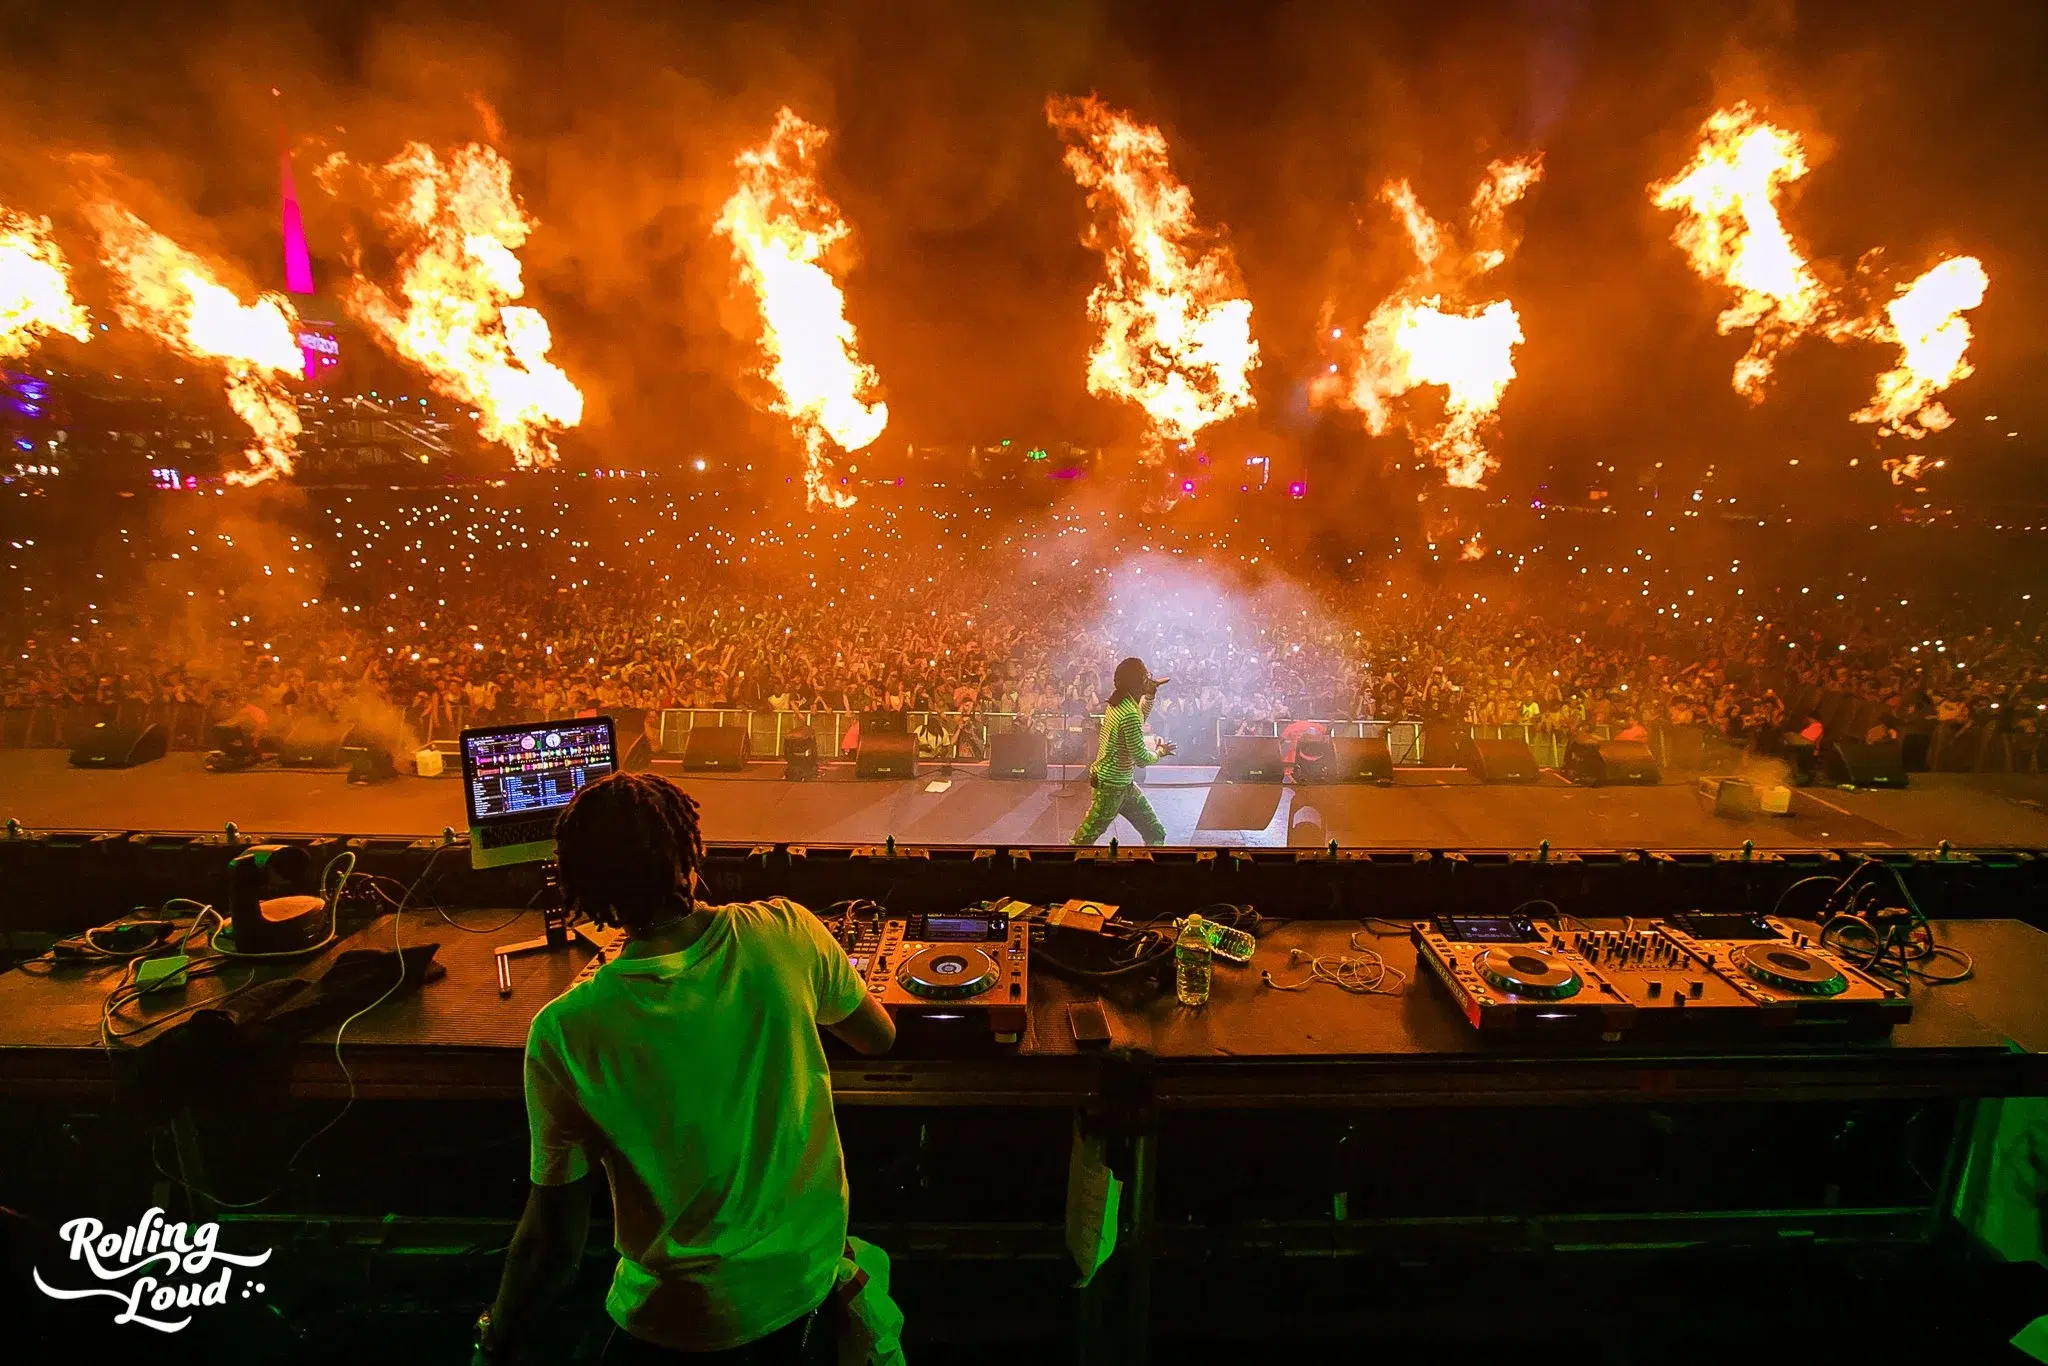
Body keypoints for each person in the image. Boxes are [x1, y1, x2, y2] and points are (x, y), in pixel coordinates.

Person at [473, 772, 896, 1365]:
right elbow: (878, 1038)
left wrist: (493, 1339)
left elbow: (552, 1247)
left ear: (580, 889)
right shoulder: (788, 932)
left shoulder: (565, 1030)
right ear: (690, 857)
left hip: (675, 1318)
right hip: (805, 1280)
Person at [1070, 657, 1176, 846]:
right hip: (1112, 787)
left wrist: (1149, 695)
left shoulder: (1119, 701)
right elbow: (1141, 759)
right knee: (1081, 842)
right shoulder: (1128, 713)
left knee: (1155, 832)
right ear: (1136, 683)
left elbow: (1137, 718)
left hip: (1122, 783)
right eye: (1145, 676)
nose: (1149, 678)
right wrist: (1160, 752)